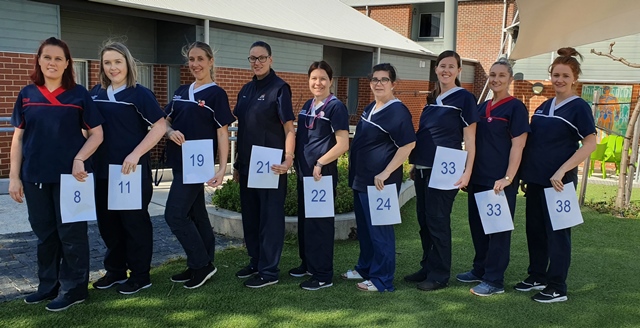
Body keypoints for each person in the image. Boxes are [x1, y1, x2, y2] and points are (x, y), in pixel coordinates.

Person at [9, 37, 104, 311]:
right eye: (47, 57)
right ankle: (48, 286)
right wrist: (14, 177)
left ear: (66, 64)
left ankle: (75, 289)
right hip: (34, 175)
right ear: (39, 60)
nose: (52, 62)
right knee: (45, 235)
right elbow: (18, 139)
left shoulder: (79, 94)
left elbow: (97, 134)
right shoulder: (27, 93)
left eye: (58, 58)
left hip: (72, 179)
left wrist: (79, 158)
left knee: (72, 235)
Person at [516, 47, 596, 303]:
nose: (559, 79)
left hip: (560, 184)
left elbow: (591, 143)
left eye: (564, 75)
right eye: (555, 74)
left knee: (558, 235)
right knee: (535, 231)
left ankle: (557, 286)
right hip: (536, 181)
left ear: (575, 78)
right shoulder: (544, 105)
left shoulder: (579, 107)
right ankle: (537, 275)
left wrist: (563, 169)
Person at [89, 41, 166, 295]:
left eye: (117, 62)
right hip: (101, 171)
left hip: (129, 173)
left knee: (134, 224)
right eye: (107, 62)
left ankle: (140, 275)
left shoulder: (139, 94)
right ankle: (115, 271)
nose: (113, 67)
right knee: (108, 224)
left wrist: (135, 154)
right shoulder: (96, 93)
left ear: (128, 63)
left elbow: (160, 126)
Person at [455, 59, 530, 296]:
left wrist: (508, 177)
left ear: (510, 79)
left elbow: (518, 146)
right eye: (492, 75)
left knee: (497, 231)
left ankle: (494, 280)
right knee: (478, 228)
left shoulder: (515, 108)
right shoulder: (481, 107)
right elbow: (471, 142)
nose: (496, 79)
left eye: (501, 75)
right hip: (478, 178)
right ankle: (480, 269)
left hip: (499, 182)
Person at [164, 41, 235, 289]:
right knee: (196, 215)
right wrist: (170, 131)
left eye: (200, 59)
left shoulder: (216, 94)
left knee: (174, 214)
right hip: (179, 161)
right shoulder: (181, 91)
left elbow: (223, 133)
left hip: (198, 163)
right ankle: (201, 264)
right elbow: (165, 120)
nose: (195, 64)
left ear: (210, 61)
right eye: (191, 60)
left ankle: (201, 264)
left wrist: (222, 167)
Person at [406, 50, 478, 291]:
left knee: (437, 220)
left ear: (459, 71)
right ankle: (427, 266)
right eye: (442, 66)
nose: (445, 70)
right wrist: (416, 164)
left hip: (447, 168)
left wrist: (467, 171)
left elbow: (470, 139)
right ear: (436, 69)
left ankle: (439, 275)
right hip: (424, 168)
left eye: (451, 66)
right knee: (424, 221)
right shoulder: (431, 99)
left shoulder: (465, 99)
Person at [344, 63, 416, 292]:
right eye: (375, 79)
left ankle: (382, 279)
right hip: (362, 179)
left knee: (380, 230)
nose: (379, 83)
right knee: (365, 229)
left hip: (381, 183)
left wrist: (386, 172)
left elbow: (408, 144)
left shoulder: (398, 111)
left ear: (393, 83)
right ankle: (365, 268)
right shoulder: (370, 108)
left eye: (384, 79)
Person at [233, 41, 296, 288]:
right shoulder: (246, 89)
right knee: (251, 216)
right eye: (252, 58)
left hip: (271, 166)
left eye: (261, 58)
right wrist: (237, 165)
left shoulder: (280, 88)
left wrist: (288, 158)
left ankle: (269, 271)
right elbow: (243, 130)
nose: (256, 62)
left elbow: (289, 129)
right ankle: (256, 260)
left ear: (271, 59)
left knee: (269, 219)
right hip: (248, 165)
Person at [289, 61, 349, 290]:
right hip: (305, 173)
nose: (318, 82)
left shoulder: (336, 107)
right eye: (314, 78)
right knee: (305, 220)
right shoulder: (308, 104)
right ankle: (307, 264)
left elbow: (343, 144)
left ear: (331, 81)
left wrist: (321, 162)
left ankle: (323, 274)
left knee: (320, 224)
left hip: (321, 175)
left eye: (323, 78)